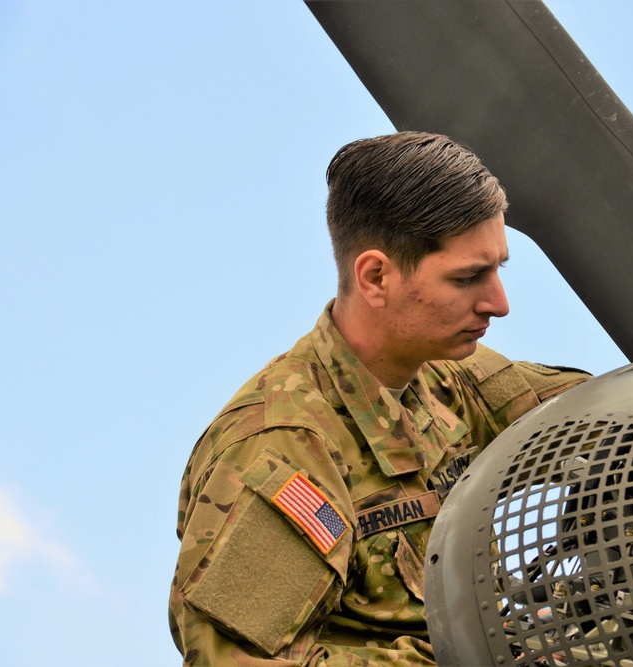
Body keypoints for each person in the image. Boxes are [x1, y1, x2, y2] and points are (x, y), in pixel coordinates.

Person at [169, 131, 590, 666]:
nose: (498, 303)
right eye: (467, 277)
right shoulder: (282, 450)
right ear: (375, 277)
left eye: (498, 269)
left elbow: (606, 419)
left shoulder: (450, 376)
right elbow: (234, 662)